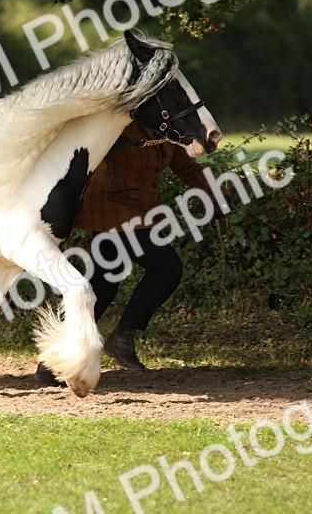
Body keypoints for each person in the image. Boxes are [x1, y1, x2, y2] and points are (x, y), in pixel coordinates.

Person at [36, 120, 217, 384]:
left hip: (139, 211)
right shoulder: (119, 122)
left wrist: (216, 193)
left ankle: (52, 363)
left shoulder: (167, 128)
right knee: (166, 268)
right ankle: (122, 337)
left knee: (104, 284)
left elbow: (186, 166)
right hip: (108, 206)